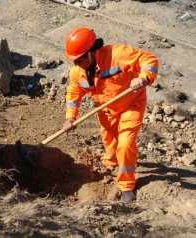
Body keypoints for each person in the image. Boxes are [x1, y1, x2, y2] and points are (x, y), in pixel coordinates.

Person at [62, 27, 159, 202]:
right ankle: (111, 160)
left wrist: (144, 77)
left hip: (132, 104)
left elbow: (148, 58)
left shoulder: (117, 54)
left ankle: (127, 185)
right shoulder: (77, 72)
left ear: (91, 53)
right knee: (109, 139)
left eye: (79, 60)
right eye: (74, 61)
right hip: (106, 108)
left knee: (126, 143)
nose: (76, 64)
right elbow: (73, 94)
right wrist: (70, 117)